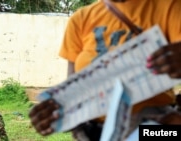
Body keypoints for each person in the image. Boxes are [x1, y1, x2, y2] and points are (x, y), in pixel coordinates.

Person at [29, 0, 181, 140]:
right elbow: (72, 93)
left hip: (151, 126)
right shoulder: (81, 19)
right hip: (93, 133)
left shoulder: (171, 7)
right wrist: (53, 115)